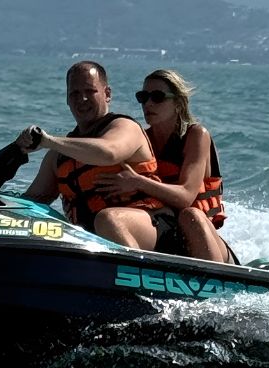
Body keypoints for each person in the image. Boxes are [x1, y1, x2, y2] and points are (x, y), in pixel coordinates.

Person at [15, 61, 164, 250]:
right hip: (93, 243)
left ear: (107, 94)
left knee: (108, 219)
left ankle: (134, 267)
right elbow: (33, 202)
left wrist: (47, 141)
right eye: (74, 94)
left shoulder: (126, 127)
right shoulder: (58, 155)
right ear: (67, 99)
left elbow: (108, 153)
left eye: (90, 91)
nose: (82, 99)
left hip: (152, 226)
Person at [94, 68, 237, 263]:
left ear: (178, 103)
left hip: (203, 239)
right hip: (165, 233)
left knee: (190, 215)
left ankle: (214, 280)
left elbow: (185, 197)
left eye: (158, 97)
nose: (148, 104)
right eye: (143, 97)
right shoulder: (142, 140)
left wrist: (138, 181)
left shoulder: (196, 136)